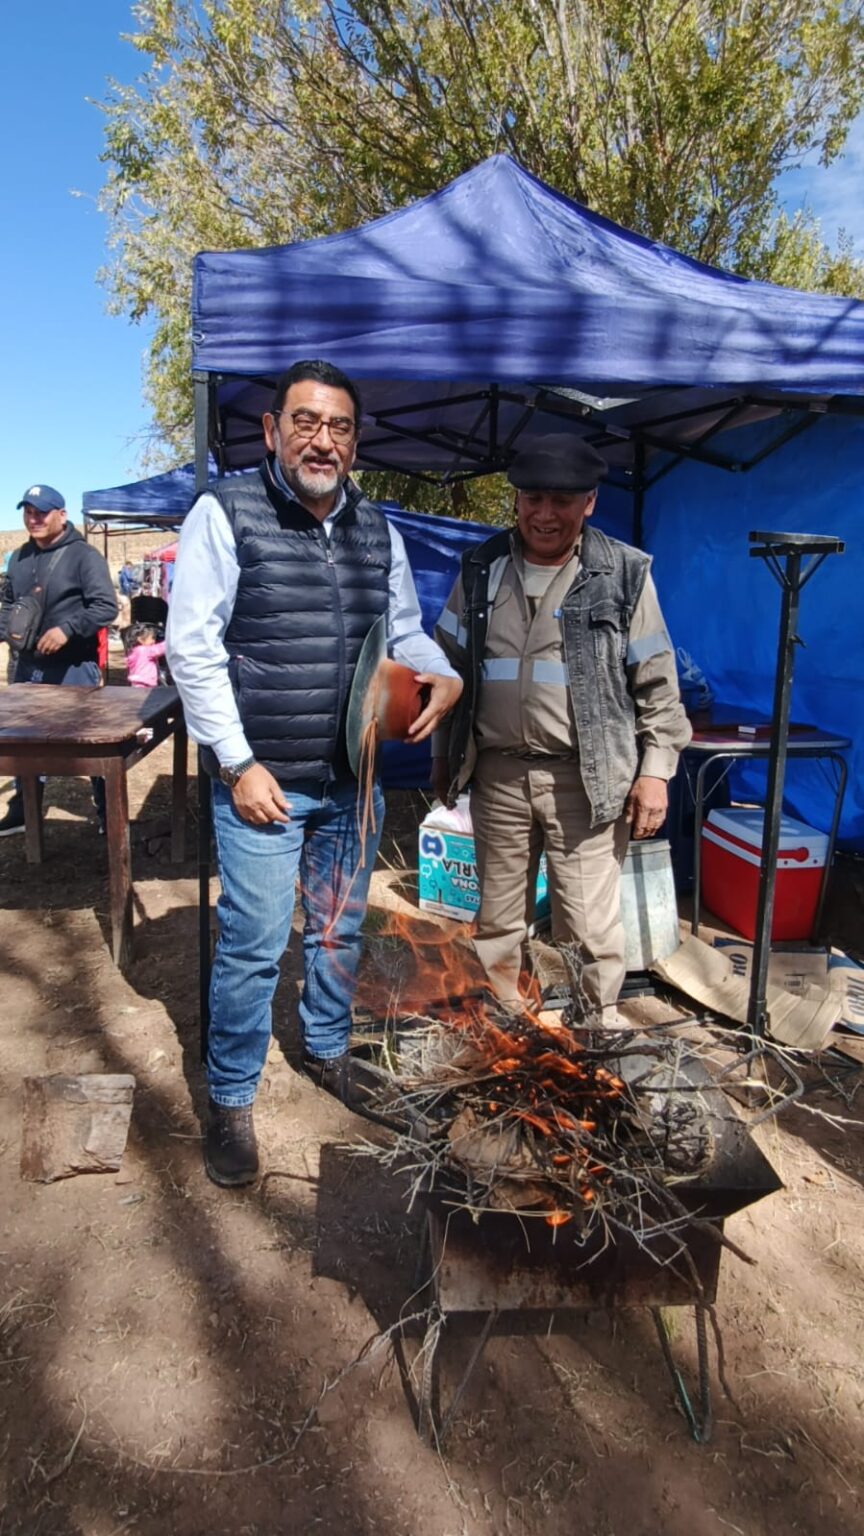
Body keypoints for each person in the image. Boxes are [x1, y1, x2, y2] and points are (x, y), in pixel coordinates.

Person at [166, 358, 463, 1187]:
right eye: (306, 422)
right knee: (254, 946)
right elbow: (192, 648)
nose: (322, 440)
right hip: (265, 781)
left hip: (353, 778)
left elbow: (404, 630)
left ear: (355, 443)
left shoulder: (377, 529)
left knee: (336, 929)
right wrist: (237, 763)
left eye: (338, 427)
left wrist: (445, 671)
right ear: (272, 431)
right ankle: (231, 1098)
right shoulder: (226, 513)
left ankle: (327, 1050)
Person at [432, 435, 691, 1025]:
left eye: (562, 501)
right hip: (497, 776)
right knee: (498, 922)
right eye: (533, 499)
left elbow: (658, 686)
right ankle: (508, 1029)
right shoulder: (481, 569)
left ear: (590, 502)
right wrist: (442, 758)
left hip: (586, 780)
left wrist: (655, 774)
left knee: (589, 928)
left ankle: (594, 1030)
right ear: (516, 500)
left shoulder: (623, 575)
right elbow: (447, 670)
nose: (545, 514)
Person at [0, 485, 118, 836]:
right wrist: (7, 632)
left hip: (73, 669)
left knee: (91, 743)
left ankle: (107, 814)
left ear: (61, 515)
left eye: (41, 512)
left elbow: (105, 607)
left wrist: (67, 629)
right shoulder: (18, 558)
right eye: (28, 512)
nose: (33, 519)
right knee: (22, 743)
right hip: (26, 666)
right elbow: (8, 604)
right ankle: (24, 811)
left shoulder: (84, 556)